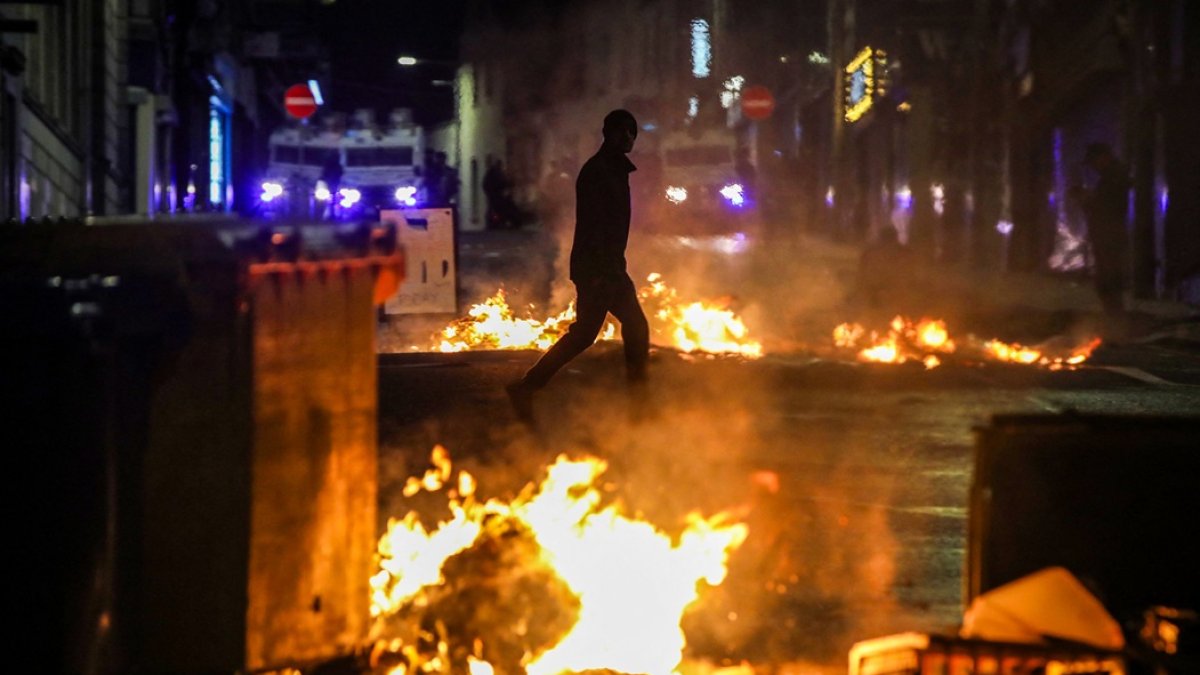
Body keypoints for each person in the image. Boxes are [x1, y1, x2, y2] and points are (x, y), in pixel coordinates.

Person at [505, 110, 650, 425]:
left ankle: (639, 406)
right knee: (591, 333)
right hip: (598, 268)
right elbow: (594, 225)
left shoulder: (614, 169)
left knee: (620, 329)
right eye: (624, 131)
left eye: (633, 132)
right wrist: (598, 273)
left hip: (609, 266)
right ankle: (527, 387)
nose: (629, 137)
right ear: (609, 133)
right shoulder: (598, 171)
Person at [1080, 142, 1130, 316]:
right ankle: (1114, 316)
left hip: (1109, 237)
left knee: (1108, 280)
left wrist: (1086, 202)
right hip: (1107, 236)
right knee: (1107, 280)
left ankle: (1115, 318)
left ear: (1103, 158)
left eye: (1094, 162)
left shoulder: (1114, 178)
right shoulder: (1114, 176)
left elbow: (1106, 208)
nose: (1094, 168)